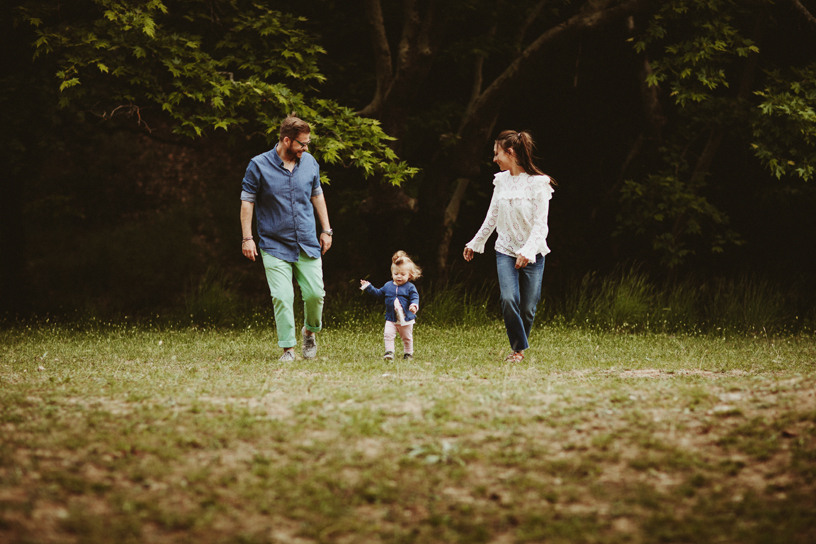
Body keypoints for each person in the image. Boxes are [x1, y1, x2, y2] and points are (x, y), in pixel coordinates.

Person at [240, 115, 332, 362]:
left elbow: (317, 195)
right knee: (282, 296)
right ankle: (288, 349)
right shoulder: (258, 165)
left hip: (306, 240)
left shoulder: (310, 163)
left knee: (315, 294)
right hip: (273, 243)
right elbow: (247, 201)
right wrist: (247, 238)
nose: (306, 148)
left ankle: (310, 333)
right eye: (302, 144)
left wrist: (326, 229)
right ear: (287, 140)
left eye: (308, 143)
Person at [463, 130, 555, 363]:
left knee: (527, 308)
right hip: (505, 250)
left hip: (533, 253)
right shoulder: (501, 180)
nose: (494, 159)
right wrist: (476, 242)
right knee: (507, 299)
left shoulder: (539, 184)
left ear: (511, 153)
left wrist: (527, 251)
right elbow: (492, 216)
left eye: (497, 154)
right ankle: (518, 351)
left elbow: (540, 226)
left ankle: (518, 348)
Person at [360, 251, 422, 361]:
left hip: (406, 319)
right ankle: (389, 352)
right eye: (396, 274)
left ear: (409, 275)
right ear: (392, 273)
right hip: (391, 318)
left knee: (407, 337)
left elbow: (415, 298)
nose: (399, 277)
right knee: (388, 334)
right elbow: (379, 293)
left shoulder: (410, 287)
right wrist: (368, 287)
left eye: (403, 274)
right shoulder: (388, 286)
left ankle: (408, 353)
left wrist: (414, 306)